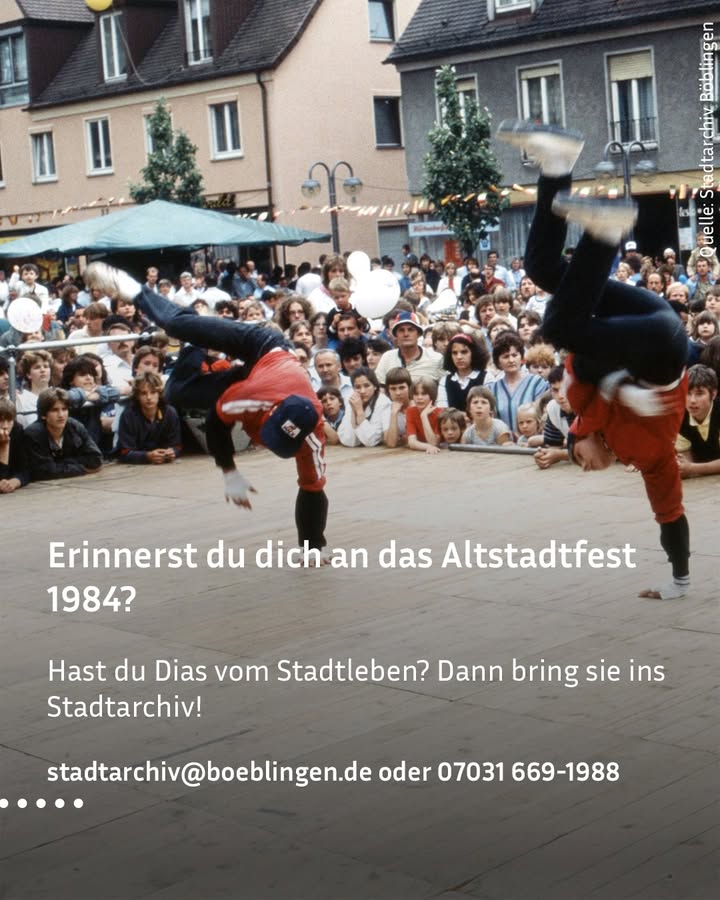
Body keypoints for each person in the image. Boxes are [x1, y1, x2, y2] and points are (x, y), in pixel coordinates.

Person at [497, 118, 690, 599]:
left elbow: (582, 368)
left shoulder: (579, 408)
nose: (581, 465)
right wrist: (679, 581)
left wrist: (613, 386)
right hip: (662, 344)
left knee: (544, 271)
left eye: (576, 458)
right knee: (561, 326)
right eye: (580, 460)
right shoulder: (647, 457)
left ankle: (557, 164)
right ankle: (605, 233)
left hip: (647, 320)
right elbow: (669, 512)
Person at [84, 262, 329, 556]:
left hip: (267, 376)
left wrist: (312, 547)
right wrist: (229, 472)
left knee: (177, 392)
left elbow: (313, 489)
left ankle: (198, 332)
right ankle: (135, 288)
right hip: (263, 347)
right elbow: (216, 423)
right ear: (270, 415)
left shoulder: (313, 437)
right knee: (176, 338)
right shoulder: (250, 398)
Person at [23, 388, 102, 480]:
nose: (61, 415)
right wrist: (82, 468)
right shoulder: (33, 434)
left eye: (64, 409)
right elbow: (43, 471)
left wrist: (60, 463)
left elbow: (96, 459)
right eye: (54, 410)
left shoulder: (75, 427)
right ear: (43, 415)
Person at [117, 372, 182, 464]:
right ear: (137, 396)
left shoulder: (170, 413)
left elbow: (177, 446)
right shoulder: (128, 415)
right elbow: (124, 452)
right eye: (143, 393)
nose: (149, 397)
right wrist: (146, 456)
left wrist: (172, 452)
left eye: (153, 392)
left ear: (159, 394)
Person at [675, 364, 720, 478]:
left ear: (713, 394)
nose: (692, 400)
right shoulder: (679, 417)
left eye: (699, 394)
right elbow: (686, 461)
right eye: (687, 393)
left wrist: (693, 468)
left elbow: (691, 467)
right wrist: (682, 468)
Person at [337, 366, 390, 448]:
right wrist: (354, 412)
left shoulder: (383, 402)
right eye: (357, 387)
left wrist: (359, 412)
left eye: (367, 386)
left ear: (375, 386)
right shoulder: (352, 400)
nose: (362, 391)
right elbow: (348, 441)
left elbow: (371, 441)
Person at [437, 333, 488, 408]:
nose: (459, 357)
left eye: (464, 352)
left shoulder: (486, 377)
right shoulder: (445, 381)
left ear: (473, 353)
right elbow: (442, 410)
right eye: (454, 353)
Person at [406, 376, 442, 454]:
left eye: (424, 394)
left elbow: (434, 443)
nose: (419, 398)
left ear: (432, 396)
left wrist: (423, 416)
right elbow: (411, 442)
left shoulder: (440, 412)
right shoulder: (410, 411)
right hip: (423, 453)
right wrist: (428, 447)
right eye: (416, 394)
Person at [0, 399, 29, 493]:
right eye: (0, 420)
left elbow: (26, 469)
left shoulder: (17, 431)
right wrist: (4, 446)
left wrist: (15, 481)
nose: (5, 426)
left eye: (9, 420)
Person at [383, 367, 412, 448]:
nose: (398, 393)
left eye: (402, 387)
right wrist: (394, 413)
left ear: (409, 387)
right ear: (388, 390)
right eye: (393, 389)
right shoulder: (386, 410)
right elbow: (391, 443)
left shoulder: (418, 405)